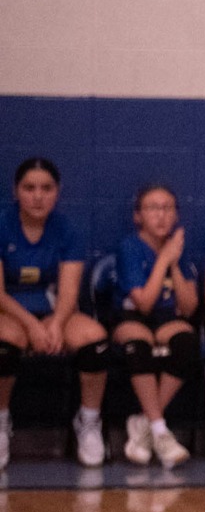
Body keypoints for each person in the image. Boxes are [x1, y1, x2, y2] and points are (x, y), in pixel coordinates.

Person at [0, 158, 112, 468]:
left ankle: (88, 421)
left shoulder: (68, 230)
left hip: (54, 311)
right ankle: (1, 421)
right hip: (10, 312)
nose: (38, 196)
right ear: (16, 191)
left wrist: (56, 324)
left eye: (46, 188)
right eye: (29, 188)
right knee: (4, 346)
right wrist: (31, 326)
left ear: (57, 192)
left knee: (96, 343)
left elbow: (69, 292)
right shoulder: (3, 226)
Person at [113, 183, 198, 469]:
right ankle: (160, 429)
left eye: (167, 208)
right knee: (139, 346)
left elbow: (189, 307)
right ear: (138, 216)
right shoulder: (130, 247)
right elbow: (145, 304)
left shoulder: (178, 249)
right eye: (152, 208)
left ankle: (146, 422)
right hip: (131, 316)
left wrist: (174, 263)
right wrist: (163, 259)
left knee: (187, 343)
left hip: (166, 318)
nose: (161, 215)